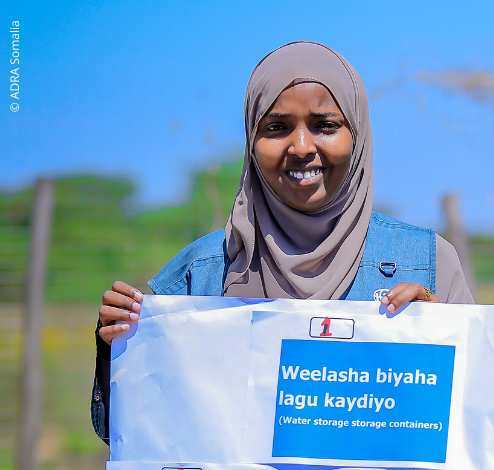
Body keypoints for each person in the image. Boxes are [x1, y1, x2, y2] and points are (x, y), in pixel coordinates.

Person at [90, 41, 474, 443]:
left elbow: (479, 420)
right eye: (276, 128)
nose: (302, 147)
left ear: (358, 135)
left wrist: (441, 335)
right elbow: (141, 434)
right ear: (251, 142)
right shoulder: (199, 276)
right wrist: (117, 349)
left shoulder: (427, 266)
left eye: (325, 125)